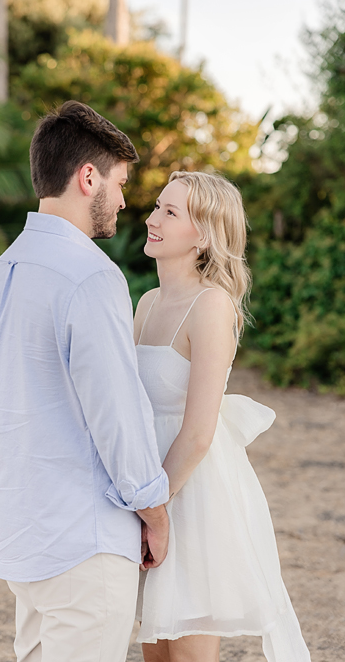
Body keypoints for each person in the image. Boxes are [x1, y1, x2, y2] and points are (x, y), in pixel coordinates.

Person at [0, 100, 171, 662]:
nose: (124, 198)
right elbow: (116, 410)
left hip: (25, 534)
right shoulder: (89, 273)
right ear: (88, 177)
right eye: (119, 181)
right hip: (83, 543)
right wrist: (154, 513)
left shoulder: (9, 265)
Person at [134, 171, 311, 661]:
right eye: (157, 206)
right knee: (155, 651)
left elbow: (198, 431)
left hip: (190, 494)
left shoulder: (212, 306)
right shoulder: (147, 304)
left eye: (171, 212)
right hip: (149, 486)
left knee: (188, 652)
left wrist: (155, 507)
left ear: (206, 234)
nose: (153, 219)